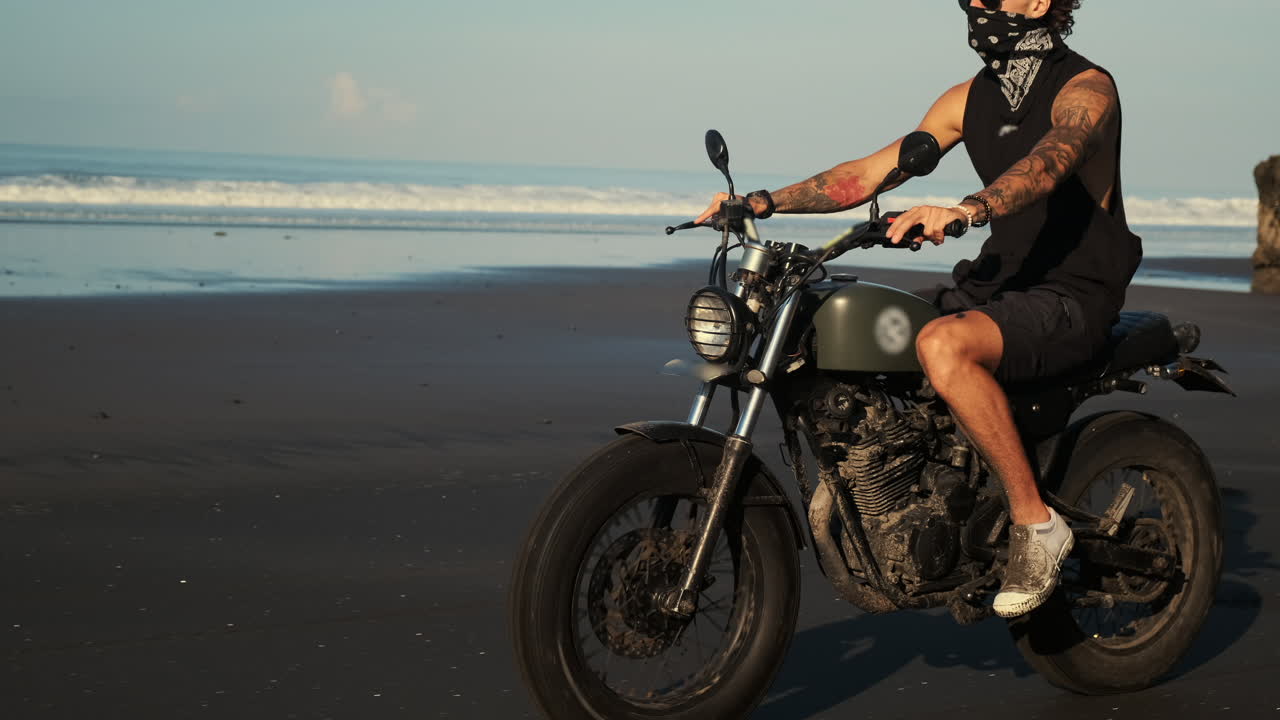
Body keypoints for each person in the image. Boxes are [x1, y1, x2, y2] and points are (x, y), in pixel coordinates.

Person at [695, 0, 1142, 617]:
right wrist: (761, 203)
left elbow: (1052, 159)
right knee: (849, 323)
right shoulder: (967, 99)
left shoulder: (1087, 87)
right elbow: (869, 173)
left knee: (940, 345)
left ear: (1038, 3)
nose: (978, 6)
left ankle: (1035, 523)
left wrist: (967, 209)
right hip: (995, 283)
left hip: (1072, 291)